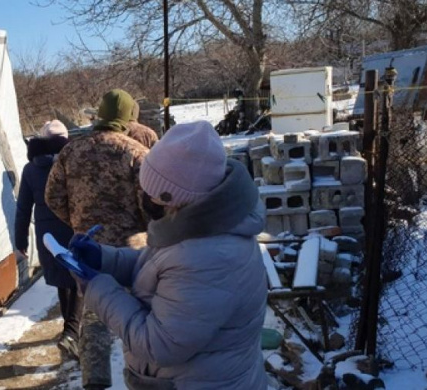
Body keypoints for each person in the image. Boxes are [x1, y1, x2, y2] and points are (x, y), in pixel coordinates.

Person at [68, 121, 268, 390]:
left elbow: (158, 344)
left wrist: (97, 287)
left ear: (176, 196)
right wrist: (103, 258)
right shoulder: (199, 225)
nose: (148, 199)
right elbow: (157, 266)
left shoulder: (209, 257)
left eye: (154, 193)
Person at [46, 89, 149, 389]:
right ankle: (140, 379)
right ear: (128, 117)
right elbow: (152, 206)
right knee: (138, 321)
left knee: (93, 318)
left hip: (87, 250)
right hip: (132, 253)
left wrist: (78, 222)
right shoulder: (137, 154)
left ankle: (95, 382)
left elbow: (52, 196)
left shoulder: (70, 152)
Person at [14, 120, 81, 357]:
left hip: (48, 235)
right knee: (78, 282)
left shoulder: (31, 169)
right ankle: (72, 333)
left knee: (65, 284)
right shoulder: (72, 162)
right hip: (73, 228)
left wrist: (20, 241)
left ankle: (71, 330)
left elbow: (23, 208)